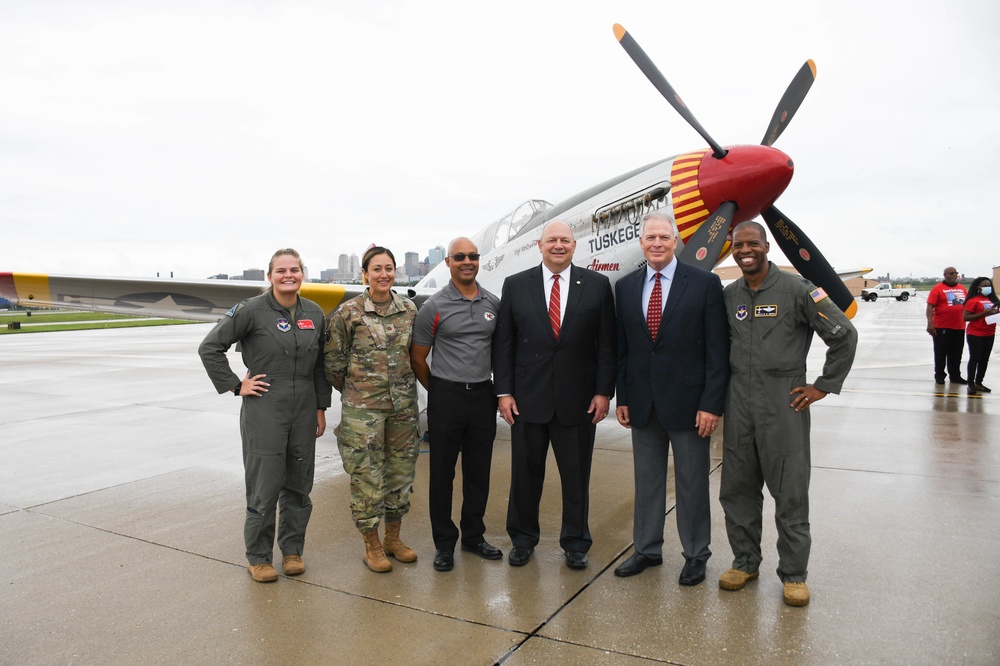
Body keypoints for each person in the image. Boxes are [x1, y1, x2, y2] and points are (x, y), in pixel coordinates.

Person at [718, 221, 857, 607]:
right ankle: (745, 562)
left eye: (752, 243)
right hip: (739, 402)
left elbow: (843, 334)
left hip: (784, 403)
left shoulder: (798, 290)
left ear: (766, 247)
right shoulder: (730, 295)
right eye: (738, 244)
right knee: (737, 491)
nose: (745, 250)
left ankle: (794, 574)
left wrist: (823, 386)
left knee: (790, 491)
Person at [198, 248, 331, 583]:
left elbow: (320, 367)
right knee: (264, 485)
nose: (289, 275)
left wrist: (320, 407)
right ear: (270, 276)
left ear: (303, 273)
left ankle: (292, 551)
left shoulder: (314, 313)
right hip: (265, 407)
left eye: (295, 270)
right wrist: (235, 384)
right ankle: (258, 557)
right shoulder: (251, 311)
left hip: (303, 406)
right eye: (281, 270)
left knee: (299, 485)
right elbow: (210, 347)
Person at [613, 213, 729, 584]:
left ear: (676, 241)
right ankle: (646, 549)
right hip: (643, 405)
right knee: (646, 483)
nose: (657, 243)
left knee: (693, 483)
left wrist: (711, 404)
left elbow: (717, 350)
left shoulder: (704, 284)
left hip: (690, 404)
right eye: (651, 238)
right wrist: (624, 397)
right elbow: (625, 349)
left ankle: (696, 554)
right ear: (642, 243)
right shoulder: (627, 286)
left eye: (664, 237)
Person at [494, 219, 616, 569]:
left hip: (578, 401)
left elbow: (606, 344)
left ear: (575, 245)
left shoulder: (596, 285)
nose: (558, 245)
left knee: (576, 477)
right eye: (552, 240)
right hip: (526, 399)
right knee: (525, 474)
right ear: (540, 245)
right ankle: (522, 538)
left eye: (565, 240)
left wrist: (603, 392)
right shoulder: (516, 285)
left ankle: (576, 542)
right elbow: (504, 344)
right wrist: (504, 392)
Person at [325, 246, 419, 573]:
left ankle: (393, 538)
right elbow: (333, 363)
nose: (383, 274)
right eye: (376, 269)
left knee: (400, 473)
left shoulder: (409, 309)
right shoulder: (348, 313)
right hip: (363, 410)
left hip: (403, 408)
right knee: (366, 474)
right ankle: (372, 545)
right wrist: (358, 392)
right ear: (365, 273)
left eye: (389, 268)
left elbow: (416, 354)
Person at [411, 237, 502, 572]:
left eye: (473, 256)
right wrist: (438, 390)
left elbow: (501, 352)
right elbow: (418, 358)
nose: (467, 261)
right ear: (448, 262)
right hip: (446, 396)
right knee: (442, 475)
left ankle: (474, 537)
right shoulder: (434, 307)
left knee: (479, 472)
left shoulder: (493, 302)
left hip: (483, 396)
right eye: (460, 256)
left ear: (479, 261)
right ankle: (444, 544)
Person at [926, 267, 968, 385]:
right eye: (951, 273)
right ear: (945, 275)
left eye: (956, 273)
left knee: (956, 354)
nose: (954, 275)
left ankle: (955, 376)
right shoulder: (937, 289)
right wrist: (930, 323)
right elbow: (930, 306)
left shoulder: (962, 288)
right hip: (942, 327)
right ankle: (939, 375)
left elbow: (968, 304)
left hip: (959, 326)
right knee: (940, 353)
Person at [963, 277, 999, 396]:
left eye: (989, 285)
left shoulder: (991, 299)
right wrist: (984, 313)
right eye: (985, 286)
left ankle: (979, 382)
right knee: (975, 358)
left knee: (984, 359)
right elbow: (966, 317)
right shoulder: (973, 301)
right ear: (978, 288)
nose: (988, 288)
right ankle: (971, 383)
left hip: (989, 332)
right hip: (975, 334)